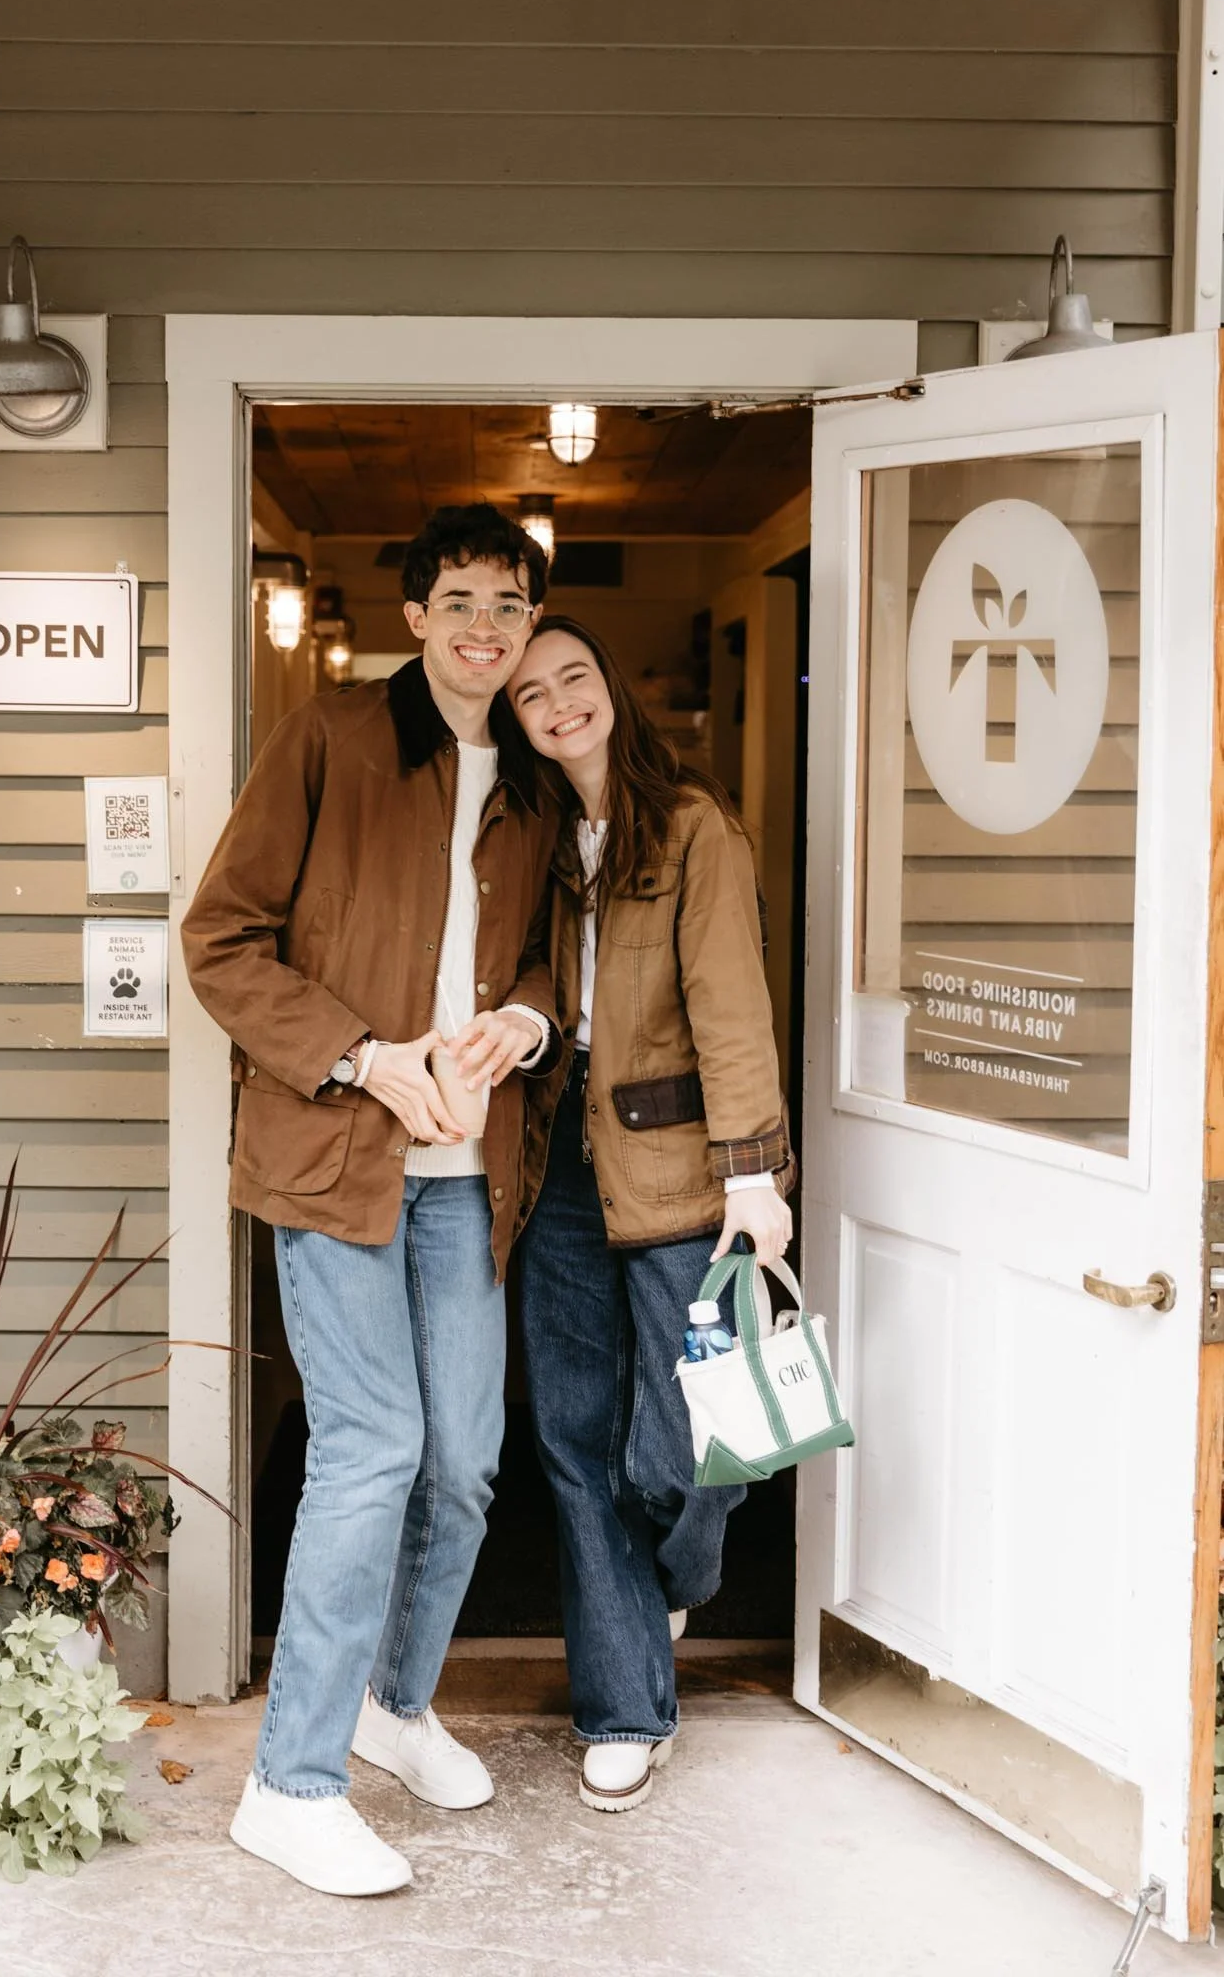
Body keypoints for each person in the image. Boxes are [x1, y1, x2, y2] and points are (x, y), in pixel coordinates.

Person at [182, 504, 558, 1897]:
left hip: (465, 1173)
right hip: (333, 1155)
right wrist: (364, 1057)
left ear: (529, 622)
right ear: (414, 616)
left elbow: (544, 957)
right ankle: (289, 1783)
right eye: (459, 601)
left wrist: (521, 1025)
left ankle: (392, 1704)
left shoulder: (531, 777)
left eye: (508, 606)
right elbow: (220, 939)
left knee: (463, 1459)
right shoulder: (332, 738)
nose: (483, 628)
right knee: (371, 1446)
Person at [508, 615, 795, 1813]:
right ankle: (626, 1705)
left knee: (692, 1446)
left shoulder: (690, 826)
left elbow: (730, 1006)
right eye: (531, 692)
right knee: (574, 1438)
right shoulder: (523, 835)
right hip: (556, 1170)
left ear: (611, 686)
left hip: (682, 1164)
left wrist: (753, 1172)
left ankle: (677, 1578)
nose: (558, 702)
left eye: (574, 675)